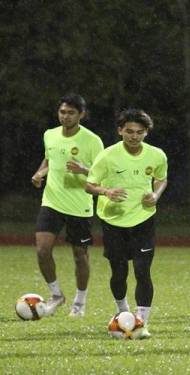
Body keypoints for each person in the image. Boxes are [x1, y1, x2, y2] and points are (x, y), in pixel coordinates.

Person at [86, 109, 167, 339]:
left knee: (143, 271)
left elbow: (161, 178)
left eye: (139, 132)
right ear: (120, 131)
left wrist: (156, 194)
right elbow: (89, 185)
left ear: (146, 132)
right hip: (113, 221)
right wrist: (106, 191)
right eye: (129, 131)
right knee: (119, 272)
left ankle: (141, 322)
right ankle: (123, 313)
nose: (134, 136)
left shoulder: (157, 155)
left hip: (143, 219)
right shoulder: (107, 156)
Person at [31, 94, 104, 317]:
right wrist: (40, 172)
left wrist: (83, 170)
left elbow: (104, 174)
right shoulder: (50, 135)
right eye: (62, 112)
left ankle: (80, 302)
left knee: (80, 255)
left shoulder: (92, 141)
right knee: (42, 250)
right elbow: (49, 159)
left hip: (79, 205)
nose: (65, 116)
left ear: (81, 115)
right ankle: (56, 295)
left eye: (71, 113)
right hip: (51, 201)